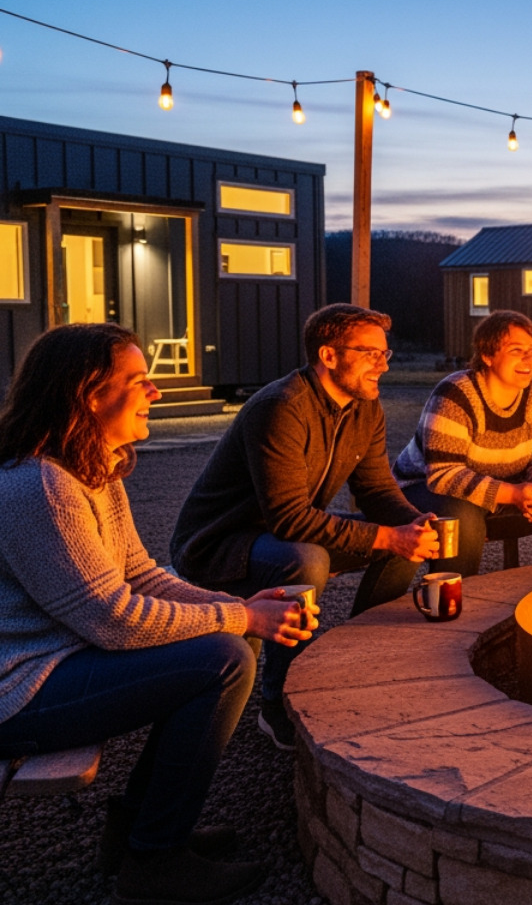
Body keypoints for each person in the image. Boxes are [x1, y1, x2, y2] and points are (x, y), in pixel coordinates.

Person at [0, 324, 315, 904]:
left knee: (227, 642)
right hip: (18, 693)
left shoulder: (93, 466)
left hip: (62, 662)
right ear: (91, 393)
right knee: (220, 657)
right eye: (140, 381)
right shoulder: (42, 485)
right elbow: (113, 619)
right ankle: (155, 862)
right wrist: (240, 620)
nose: (156, 392)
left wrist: (236, 607)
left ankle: (140, 830)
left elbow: (142, 576)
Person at [170, 304, 438, 751]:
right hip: (221, 543)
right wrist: (386, 535)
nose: (382, 364)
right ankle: (280, 705)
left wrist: (411, 523)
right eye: (370, 353)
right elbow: (290, 518)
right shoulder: (281, 407)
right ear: (328, 356)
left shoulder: (364, 407)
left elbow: (374, 488)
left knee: (400, 544)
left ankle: (361, 658)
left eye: (385, 354)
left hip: (281, 535)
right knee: (305, 559)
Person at [394, 310, 532, 570]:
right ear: (487, 355)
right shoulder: (456, 394)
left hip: (505, 491)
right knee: (463, 517)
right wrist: (513, 494)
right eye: (516, 350)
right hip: (425, 491)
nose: (528, 358)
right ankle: (456, 601)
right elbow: (444, 475)